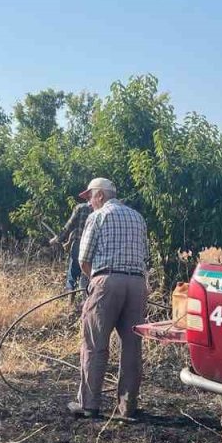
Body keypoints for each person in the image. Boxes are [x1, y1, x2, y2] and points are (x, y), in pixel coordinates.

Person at [68, 178, 148, 420]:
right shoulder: (138, 217)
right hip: (137, 284)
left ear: (100, 196)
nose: (89, 202)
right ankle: (127, 408)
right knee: (132, 347)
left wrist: (95, 280)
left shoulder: (98, 216)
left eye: (90, 197)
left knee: (94, 344)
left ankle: (89, 405)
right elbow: (146, 256)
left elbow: (83, 260)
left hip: (107, 282)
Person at [49, 200, 93, 292]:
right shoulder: (102, 209)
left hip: (79, 244)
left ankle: (71, 302)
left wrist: (57, 239)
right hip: (94, 246)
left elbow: (69, 226)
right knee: (89, 273)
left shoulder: (81, 208)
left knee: (73, 273)